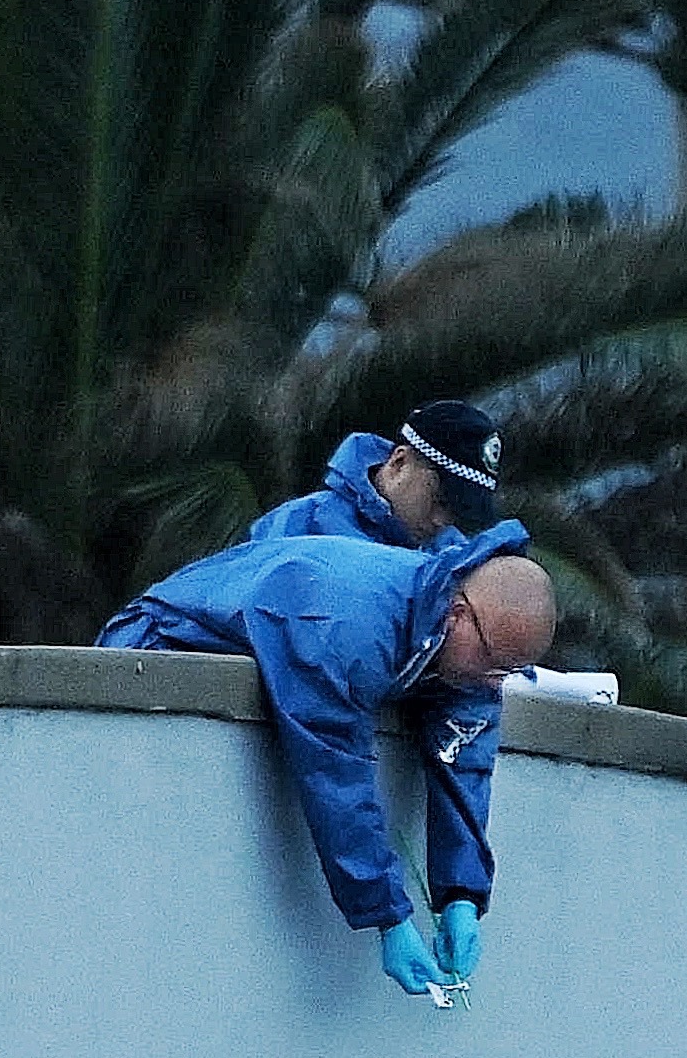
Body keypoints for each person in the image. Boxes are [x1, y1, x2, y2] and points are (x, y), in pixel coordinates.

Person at [99, 527, 558, 1007]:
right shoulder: (345, 623)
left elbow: (463, 761)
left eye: (508, 673)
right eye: (494, 664)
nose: (494, 682)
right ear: (458, 616)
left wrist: (461, 895)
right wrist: (388, 916)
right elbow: (334, 773)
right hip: (158, 649)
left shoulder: (465, 658)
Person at [249, 401, 505, 549]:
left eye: (458, 509)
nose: (442, 520)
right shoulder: (297, 527)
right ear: (399, 462)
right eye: (440, 499)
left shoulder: (454, 559)